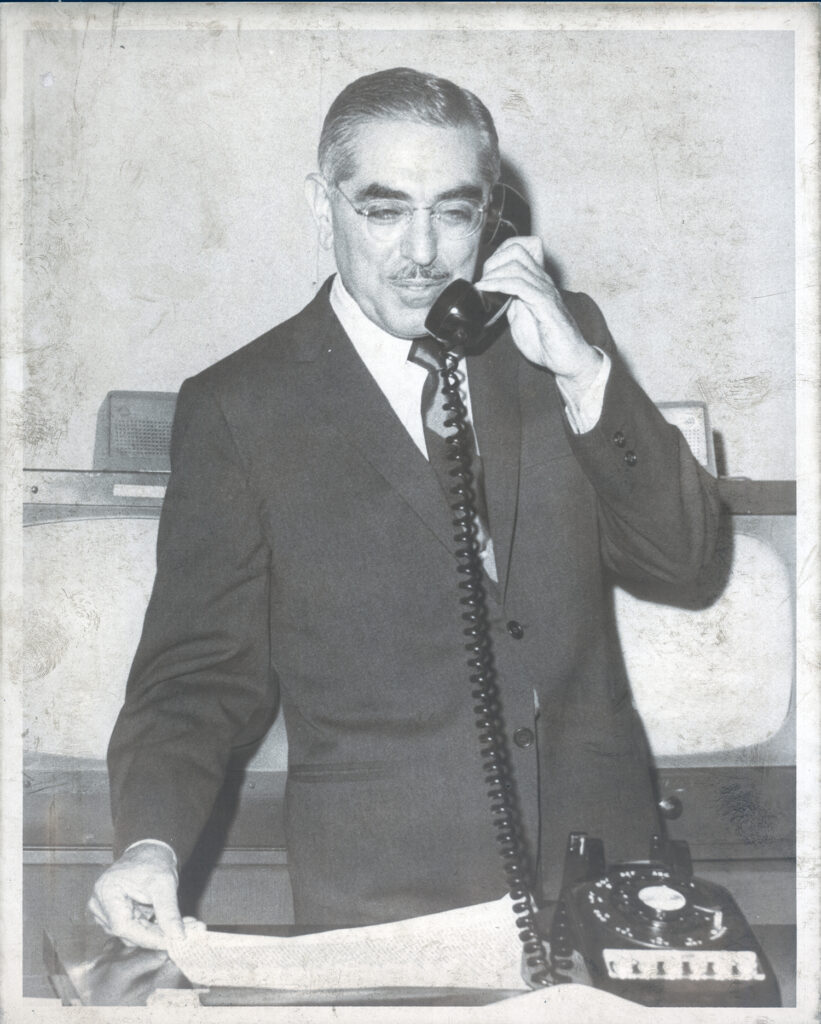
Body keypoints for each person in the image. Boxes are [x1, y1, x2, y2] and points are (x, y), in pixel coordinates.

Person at [88, 67, 719, 951]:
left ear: (491, 216)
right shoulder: (242, 408)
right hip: (383, 900)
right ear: (323, 204)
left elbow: (686, 565)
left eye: (454, 212)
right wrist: (148, 845)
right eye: (384, 210)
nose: (422, 252)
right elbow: (196, 678)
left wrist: (583, 376)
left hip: (604, 868)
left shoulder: (559, 339)